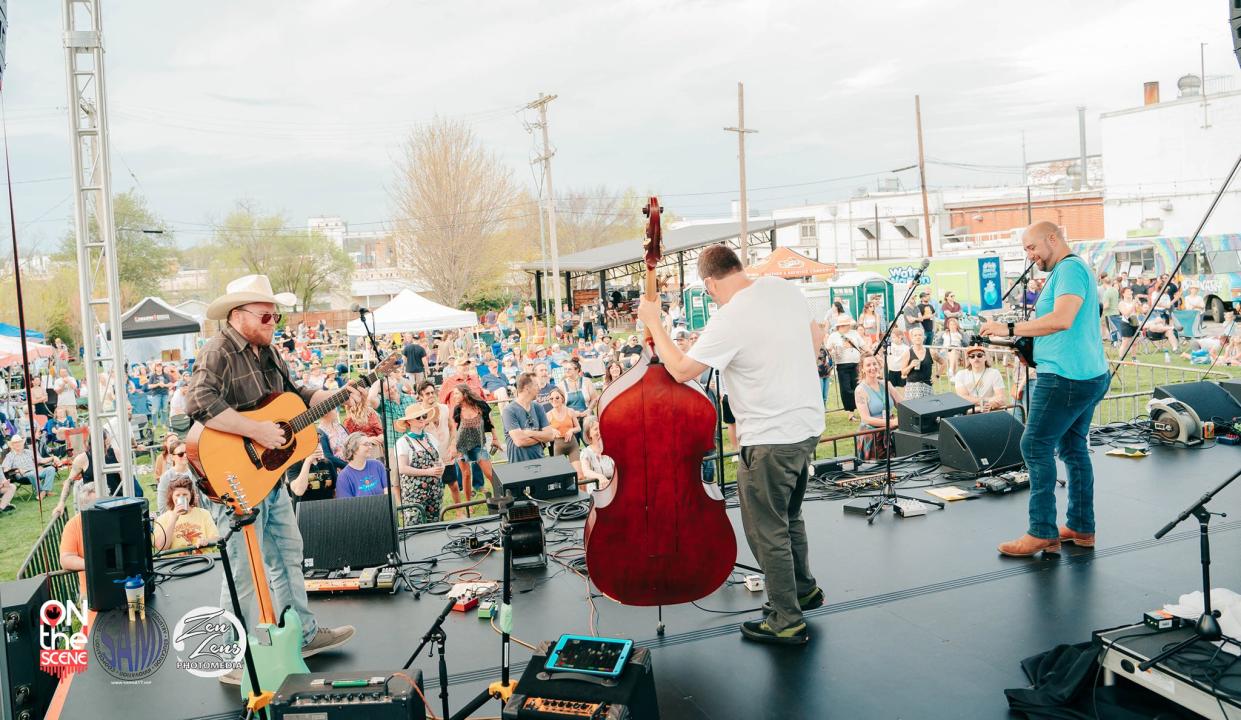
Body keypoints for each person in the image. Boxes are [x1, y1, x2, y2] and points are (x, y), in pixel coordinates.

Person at [635, 244, 825, 646]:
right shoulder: (781, 288)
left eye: (709, 294)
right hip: (807, 426)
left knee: (766, 530)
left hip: (770, 438)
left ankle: (785, 619)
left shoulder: (732, 316)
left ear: (709, 282)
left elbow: (683, 369)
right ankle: (803, 589)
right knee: (789, 516)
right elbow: (816, 334)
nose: (713, 299)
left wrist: (654, 322)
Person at [185, 274, 356, 684]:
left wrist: (333, 396)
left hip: (270, 476)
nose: (273, 320)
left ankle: (304, 635)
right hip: (230, 478)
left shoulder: (268, 351)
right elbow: (198, 400)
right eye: (266, 314)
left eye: (275, 315)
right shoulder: (219, 351)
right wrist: (255, 430)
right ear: (238, 314)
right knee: (244, 569)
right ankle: (233, 657)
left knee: (287, 553)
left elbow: (293, 393)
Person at [980, 222, 1108, 558]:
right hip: (1086, 374)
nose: (1029, 255)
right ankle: (1080, 526)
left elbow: (1062, 319)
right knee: (1072, 447)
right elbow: (1065, 327)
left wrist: (1008, 327)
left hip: (1065, 378)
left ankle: (1041, 531)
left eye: (1031, 247)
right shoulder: (1071, 270)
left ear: (1053, 238)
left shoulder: (1069, 269)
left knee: (1034, 445)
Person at [394, 403, 445, 525]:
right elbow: (402, 468)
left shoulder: (431, 438)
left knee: (435, 525)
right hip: (414, 494)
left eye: (424, 416)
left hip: (434, 492)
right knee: (415, 527)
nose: (422, 419)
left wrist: (442, 467)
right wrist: (428, 472)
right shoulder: (403, 442)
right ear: (409, 422)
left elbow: (440, 460)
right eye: (418, 417)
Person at [451, 386, 501, 502]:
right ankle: (468, 504)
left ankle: (499, 498)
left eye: (456, 393)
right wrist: (453, 446)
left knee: (490, 474)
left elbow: (489, 421)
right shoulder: (458, 410)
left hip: (478, 445)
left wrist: (495, 438)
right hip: (461, 446)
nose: (454, 396)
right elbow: (454, 430)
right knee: (466, 475)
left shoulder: (480, 406)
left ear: (464, 394)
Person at [154, 476, 219, 553]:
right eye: (177, 495)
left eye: (185, 494)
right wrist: (173, 520)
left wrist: (206, 541)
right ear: (171, 496)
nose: (181, 497)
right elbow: (161, 547)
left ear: (190, 495)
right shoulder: (163, 518)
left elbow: (216, 539)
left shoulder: (204, 513)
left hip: (203, 560)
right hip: (178, 562)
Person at [501, 373, 557, 463]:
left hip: (540, 462)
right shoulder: (509, 410)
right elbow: (520, 441)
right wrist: (541, 438)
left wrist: (529, 433)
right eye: (536, 385)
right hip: (519, 466)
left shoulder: (538, 407)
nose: (539, 388)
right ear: (527, 388)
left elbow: (550, 436)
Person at [855, 355, 902, 460]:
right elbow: (866, 418)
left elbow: (902, 405)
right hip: (873, 435)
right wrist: (890, 423)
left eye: (874, 364)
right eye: (868, 365)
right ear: (862, 369)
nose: (872, 367)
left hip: (890, 432)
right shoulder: (860, 390)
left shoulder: (886, 384)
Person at [58, 481, 98, 597]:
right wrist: (94, 564)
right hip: (92, 590)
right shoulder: (73, 525)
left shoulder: (116, 517)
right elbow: (66, 559)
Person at [826, 315, 863, 417]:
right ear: (843, 325)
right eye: (848, 325)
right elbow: (828, 349)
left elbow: (863, 345)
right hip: (842, 365)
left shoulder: (854, 333)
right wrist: (833, 351)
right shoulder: (833, 336)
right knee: (846, 388)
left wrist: (872, 353)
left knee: (857, 387)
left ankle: (861, 409)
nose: (850, 326)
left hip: (856, 364)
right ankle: (850, 412)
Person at [2, 435, 59, 500]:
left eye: (19, 442)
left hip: (35, 472)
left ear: (22, 443)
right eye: (15, 443)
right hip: (22, 475)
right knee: (32, 474)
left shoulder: (28, 452)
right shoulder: (9, 456)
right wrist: (16, 470)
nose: (18, 444)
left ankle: (44, 492)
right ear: (12, 445)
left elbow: (42, 460)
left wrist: (53, 457)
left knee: (51, 469)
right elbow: (5, 469)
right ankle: (41, 492)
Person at [953, 345, 1007, 412]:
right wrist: (986, 401)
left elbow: (1001, 397)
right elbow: (962, 398)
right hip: (969, 412)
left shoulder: (994, 373)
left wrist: (993, 404)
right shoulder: (961, 374)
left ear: (985, 358)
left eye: (979, 355)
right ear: (969, 359)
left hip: (988, 410)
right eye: (972, 356)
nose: (976, 358)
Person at [335, 432, 388, 498]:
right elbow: (346, 505)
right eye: (366, 444)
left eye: (370, 444)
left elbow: (387, 490)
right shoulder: (344, 477)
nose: (370, 447)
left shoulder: (377, 465)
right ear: (354, 448)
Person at [546, 387, 583, 477]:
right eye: (551, 398)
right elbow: (545, 431)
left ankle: (584, 491)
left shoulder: (570, 411)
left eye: (557, 397)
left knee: (580, 475)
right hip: (558, 446)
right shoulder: (548, 415)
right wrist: (552, 430)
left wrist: (571, 430)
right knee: (561, 476)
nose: (554, 400)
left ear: (562, 398)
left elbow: (578, 428)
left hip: (572, 445)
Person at [156, 441, 201, 512]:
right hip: (177, 519)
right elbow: (162, 507)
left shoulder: (196, 473)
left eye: (187, 452)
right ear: (172, 457)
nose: (185, 456)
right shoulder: (166, 477)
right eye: (181, 454)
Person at [900, 326, 934, 400]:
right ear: (912, 338)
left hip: (927, 386)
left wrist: (937, 376)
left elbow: (943, 363)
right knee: (913, 410)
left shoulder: (931, 351)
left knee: (928, 410)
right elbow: (903, 373)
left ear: (923, 337)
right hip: (912, 388)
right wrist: (911, 366)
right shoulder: (907, 353)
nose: (918, 337)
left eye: (920, 335)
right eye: (915, 335)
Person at [147, 362, 173, 428]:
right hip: (156, 394)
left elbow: (170, 384)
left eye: (160, 366)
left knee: (164, 409)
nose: (159, 367)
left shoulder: (166, 375)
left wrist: (164, 385)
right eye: (157, 366)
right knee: (155, 410)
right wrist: (158, 384)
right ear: (155, 368)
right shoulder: (153, 376)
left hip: (165, 394)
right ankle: (154, 424)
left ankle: (163, 423)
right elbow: (149, 386)